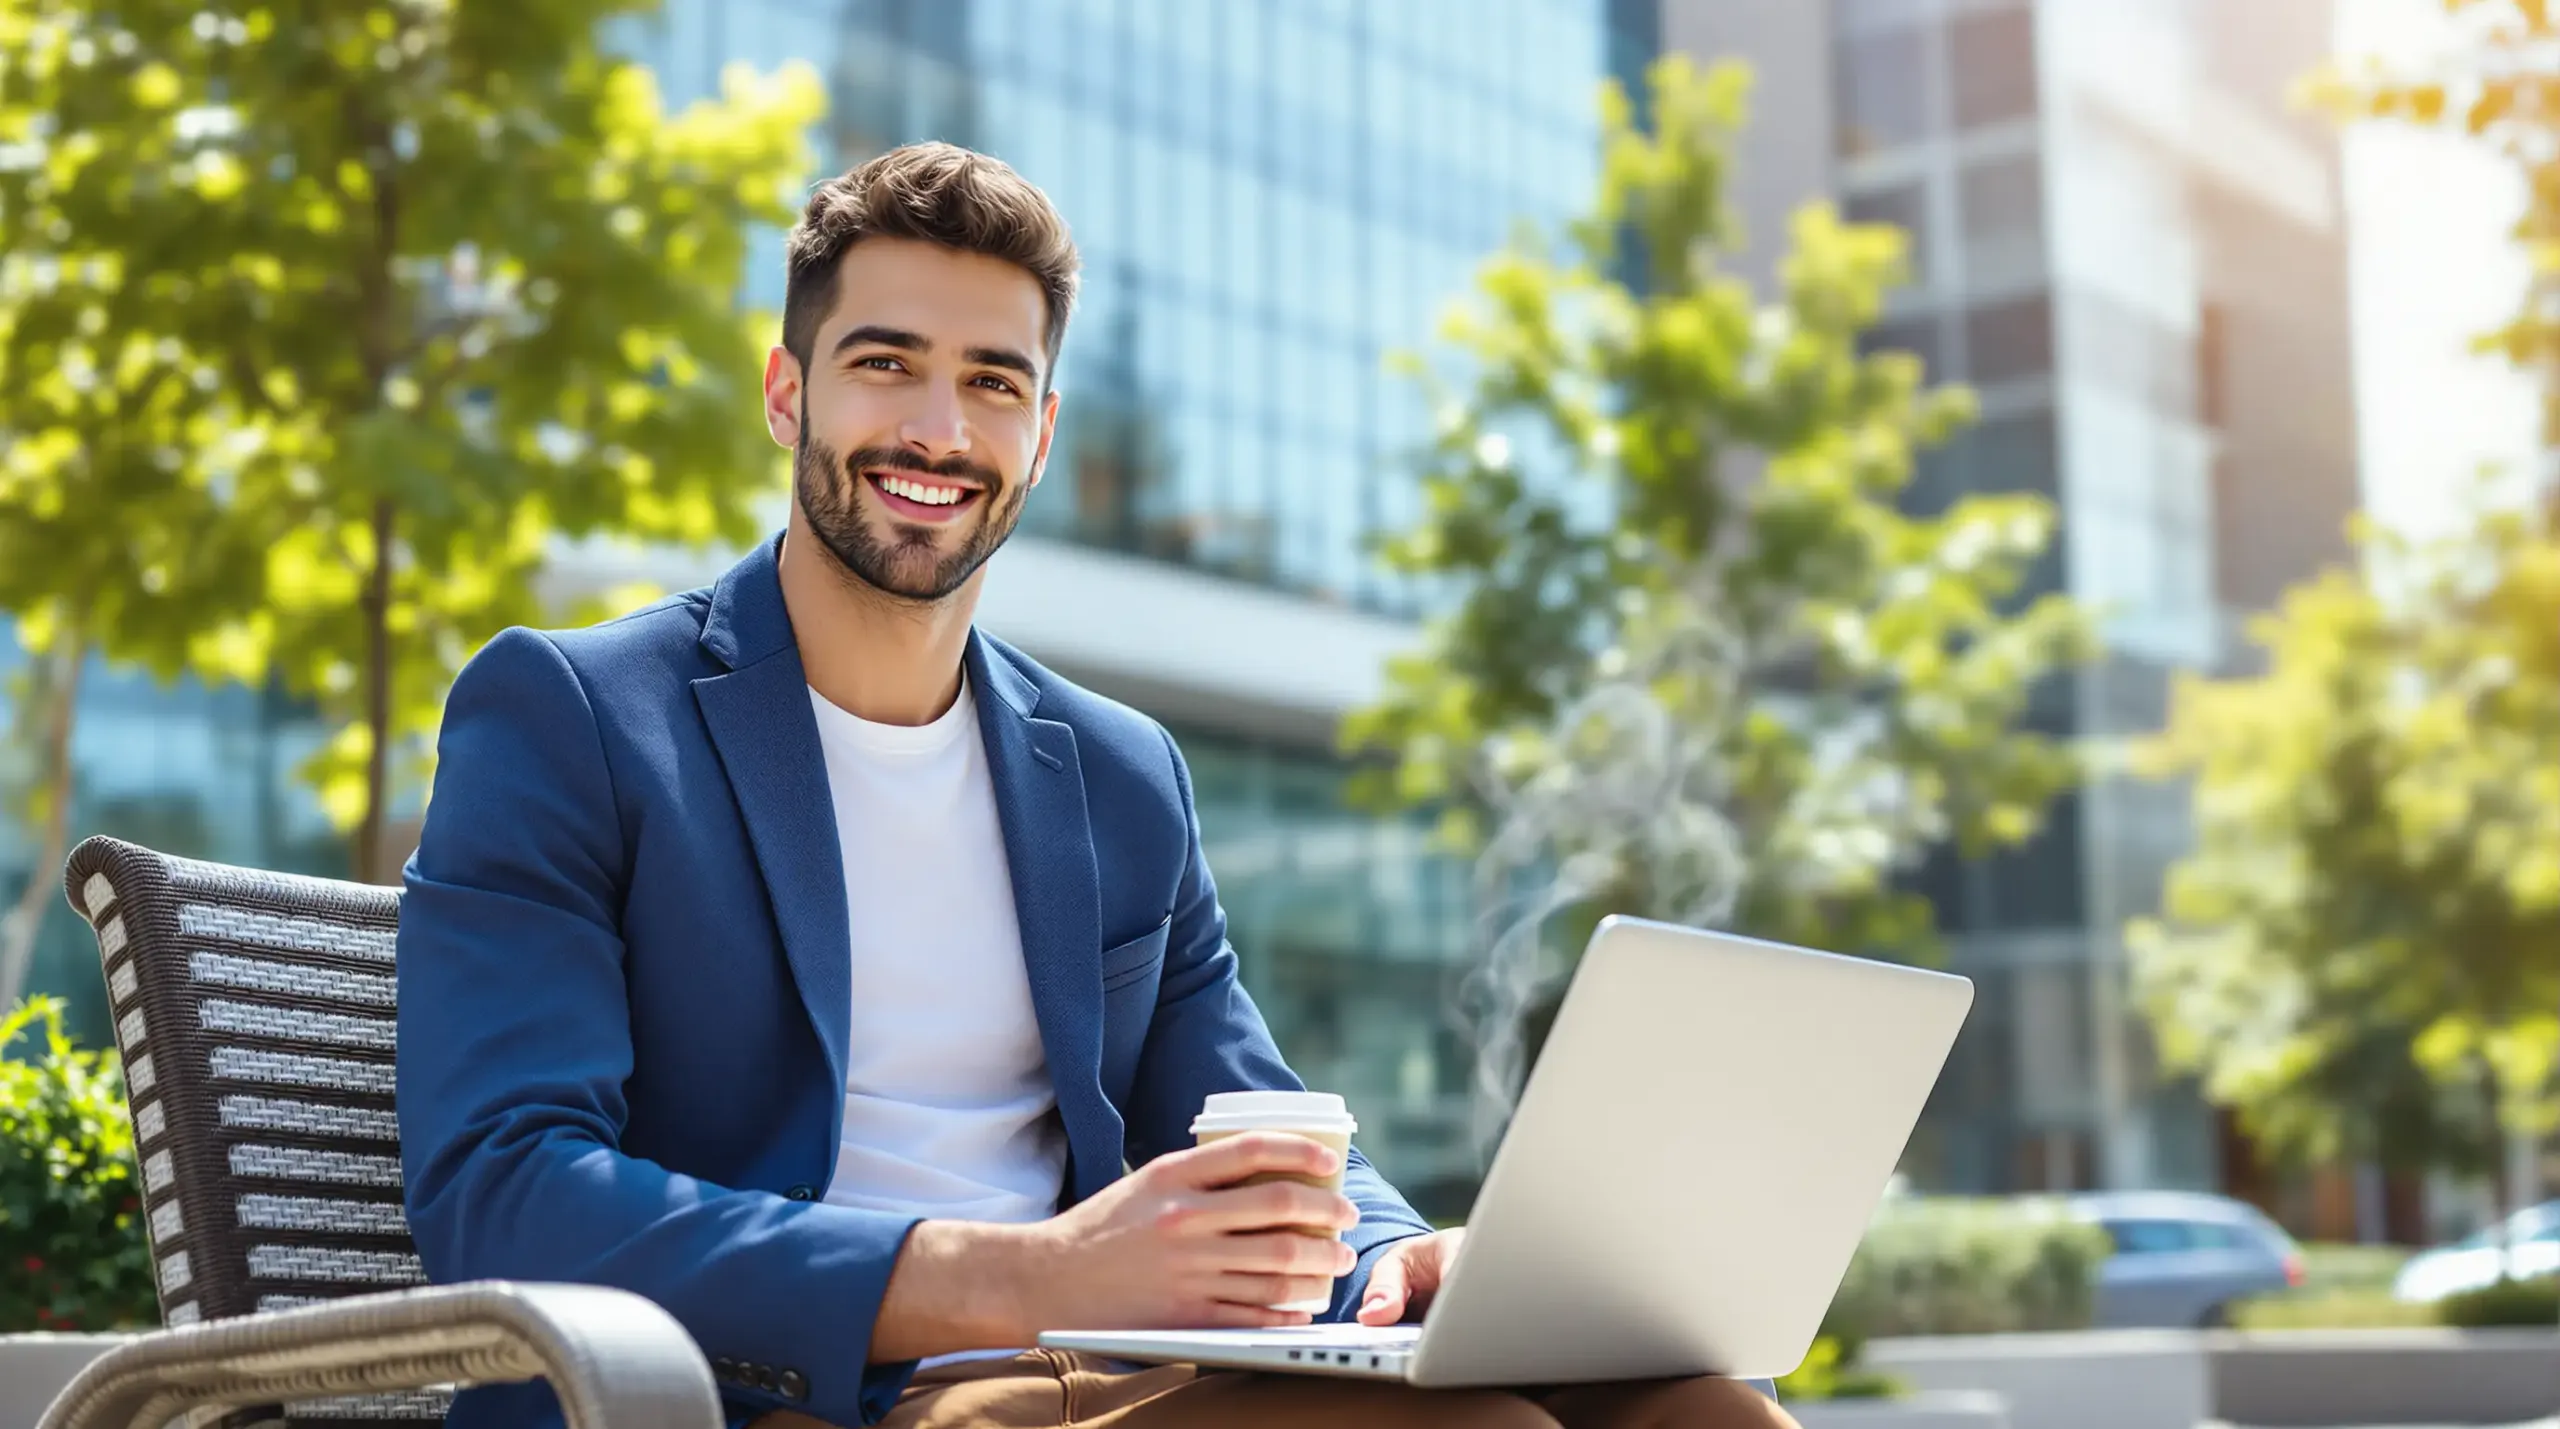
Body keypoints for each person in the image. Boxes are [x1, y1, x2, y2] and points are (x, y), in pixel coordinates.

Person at [396, 141, 1798, 1429]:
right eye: (885, 363)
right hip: (798, 1398)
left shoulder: (1118, 774)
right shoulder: (577, 715)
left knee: (1697, 1410)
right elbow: (506, 1191)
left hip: (1109, 1376)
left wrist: (1406, 1254)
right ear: (787, 393)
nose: (939, 431)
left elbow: (1250, 1113)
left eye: (992, 382)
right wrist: (1021, 1275)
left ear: (1043, 436)